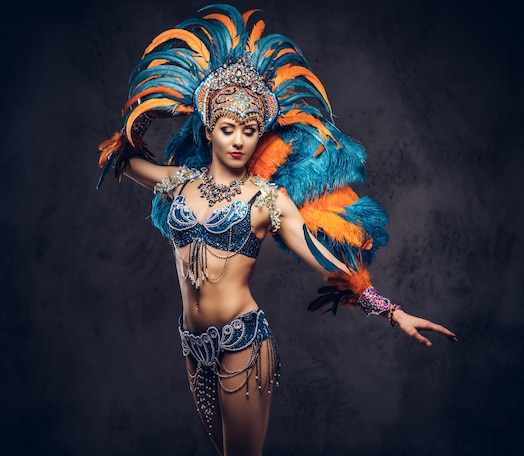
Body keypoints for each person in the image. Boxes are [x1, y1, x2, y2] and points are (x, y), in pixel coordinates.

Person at [97, 4, 457, 455]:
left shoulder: (268, 199)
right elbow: (124, 158)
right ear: (209, 129)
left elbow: (323, 260)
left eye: (249, 129)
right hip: (192, 343)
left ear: (260, 133)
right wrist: (143, 114)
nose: (238, 140)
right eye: (227, 128)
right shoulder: (179, 183)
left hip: (243, 342)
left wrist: (391, 311)